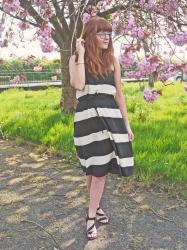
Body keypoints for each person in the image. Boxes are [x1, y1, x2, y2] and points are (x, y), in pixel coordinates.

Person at [69, 16, 134, 240]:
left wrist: (126, 124)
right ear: (89, 36)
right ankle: (96, 207)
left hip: (110, 119)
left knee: (100, 172)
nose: (107, 37)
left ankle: (90, 217)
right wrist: (82, 54)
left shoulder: (113, 61)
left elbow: (119, 93)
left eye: (109, 33)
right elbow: (78, 85)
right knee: (91, 169)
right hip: (86, 120)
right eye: (101, 33)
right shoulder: (76, 59)